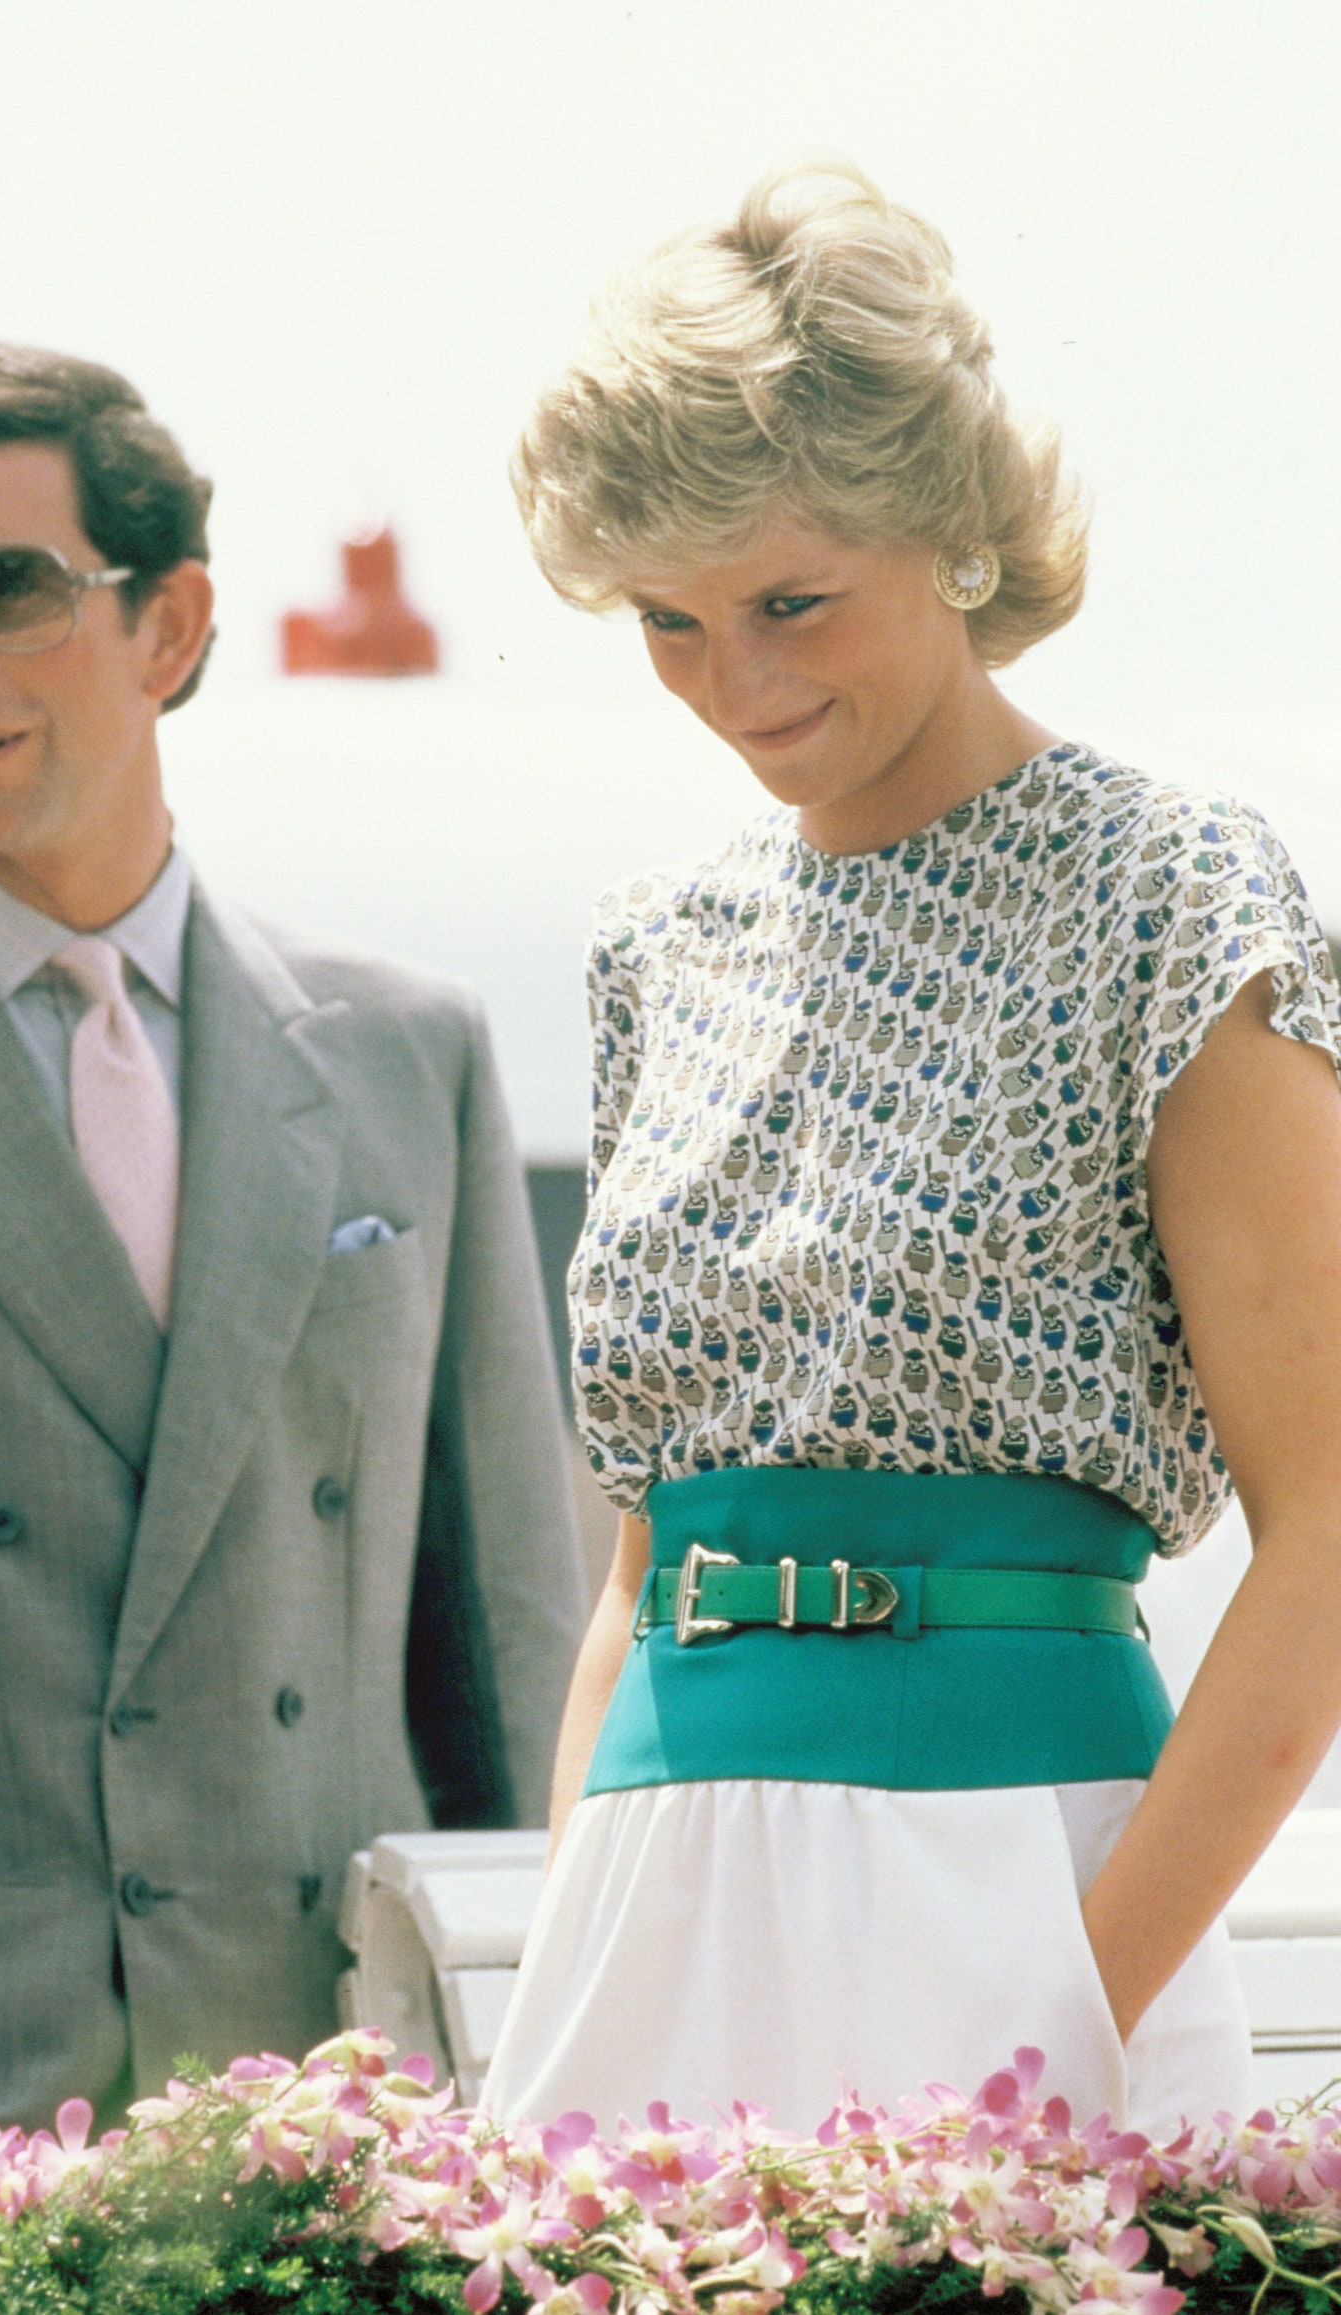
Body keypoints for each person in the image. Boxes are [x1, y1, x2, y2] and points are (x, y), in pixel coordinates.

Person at [482, 160, 1341, 2142]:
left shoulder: (1166, 895)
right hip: (654, 1897)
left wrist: (1063, 2016)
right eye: (666, 622)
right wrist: (569, 1947)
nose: (735, 683)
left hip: (1020, 1893)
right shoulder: (655, 948)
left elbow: (1329, 1527)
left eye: (789, 601)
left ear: (948, 532)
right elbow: (641, 1551)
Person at [0, 342, 585, 2145]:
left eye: (10, 589)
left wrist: (528, 2108)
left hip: (336, 2118)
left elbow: (505, 1641)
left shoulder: (403, 1057)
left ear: (172, 627)